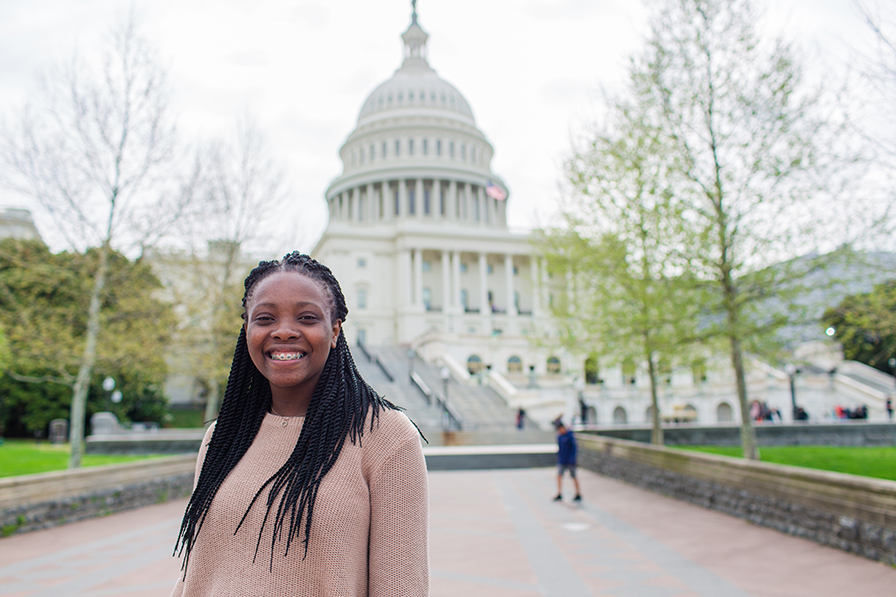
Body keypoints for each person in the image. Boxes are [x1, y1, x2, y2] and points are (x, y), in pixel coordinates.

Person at [170, 252, 428, 597]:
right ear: (247, 329)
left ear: (334, 330)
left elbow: (401, 587)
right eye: (264, 318)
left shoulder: (385, 437)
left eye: (306, 317)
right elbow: (194, 576)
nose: (285, 331)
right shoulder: (222, 437)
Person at [553, 420, 581, 502]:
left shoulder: (569, 435)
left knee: (574, 476)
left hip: (570, 461)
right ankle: (559, 493)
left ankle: (578, 493)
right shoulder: (559, 437)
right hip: (562, 460)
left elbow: (574, 448)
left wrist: (573, 459)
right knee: (559, 476)